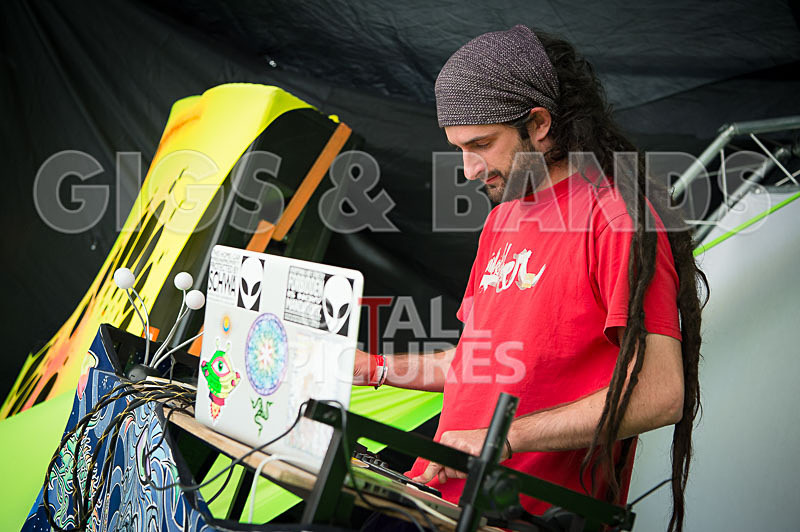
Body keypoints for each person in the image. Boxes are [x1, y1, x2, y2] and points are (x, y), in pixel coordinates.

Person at [354, 25, 706, 532]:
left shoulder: (616, 217)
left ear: (539, 123)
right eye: (458, 148)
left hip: (518, 516)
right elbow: (478, 364)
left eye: (482, 144)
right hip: (437, 497)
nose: (469, 169)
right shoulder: (503, 216)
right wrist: (375, 368)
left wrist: (503, 437)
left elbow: (660, 392)